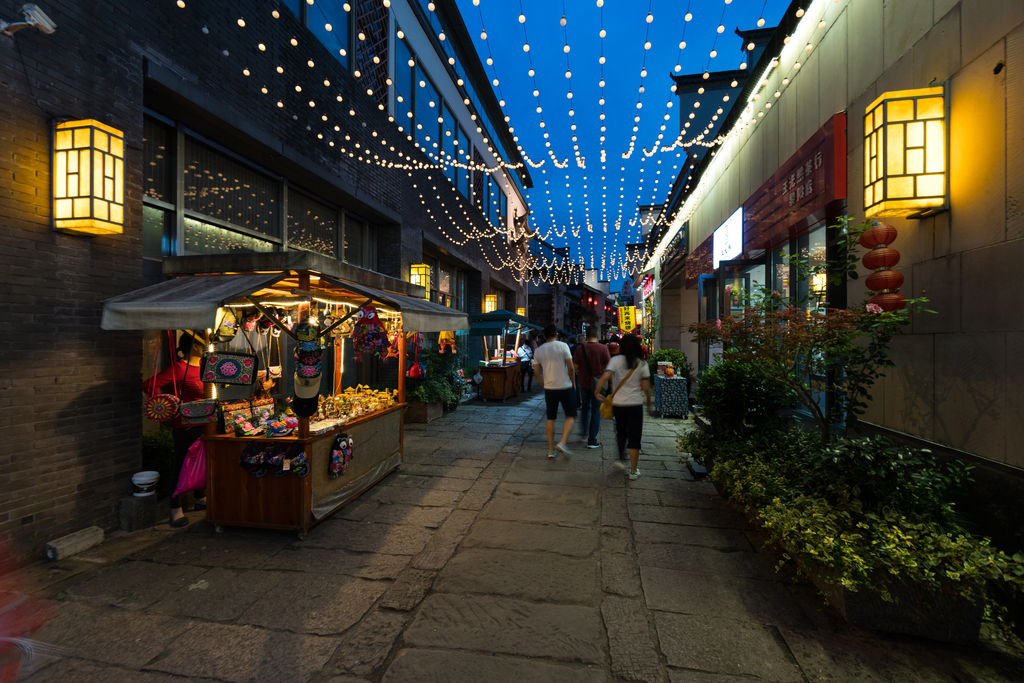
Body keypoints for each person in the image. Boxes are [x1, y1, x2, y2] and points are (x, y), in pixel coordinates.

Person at [142, 332, 206, 527]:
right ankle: (175, 510)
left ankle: (200, 499)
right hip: (185, 425)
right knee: (182, 464)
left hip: (205, 421)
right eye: (203, 345)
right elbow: (148, 384)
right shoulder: (179, 369)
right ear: (195, 347)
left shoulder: (204, 368)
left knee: (202, 460)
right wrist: (167, 404)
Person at [594, 334, 652, 480]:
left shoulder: (614, 360)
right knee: (634, 436)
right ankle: (633, 471)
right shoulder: (642, 363)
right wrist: (650, 404)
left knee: (621, 432)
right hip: (635, 404)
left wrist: (596, 391)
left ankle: (620, 460)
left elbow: (605, 377)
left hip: (618, 404)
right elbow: (646, 388)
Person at [532, 324, 577, 458]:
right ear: (556, 334)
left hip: (550, 388)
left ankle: (551, 450)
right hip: (565, 386)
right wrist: (573, 383)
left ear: (544, 336)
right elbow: (571, 368)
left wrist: (544, 384)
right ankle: (562, 442)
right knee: (571, 415)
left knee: (551, 418)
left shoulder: (538, 350)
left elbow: (536, 373)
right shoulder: (563, 346)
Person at [573, 325, 611, 448]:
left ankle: (583, 433)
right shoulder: (603, 348)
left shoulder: (580, 349)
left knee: (585, 408)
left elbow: (575, 367)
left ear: (586, 336)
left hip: (584, 383)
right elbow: (609, 367)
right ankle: (592, 440)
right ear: (597, 336)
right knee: (596, 411)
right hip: (598, 385)